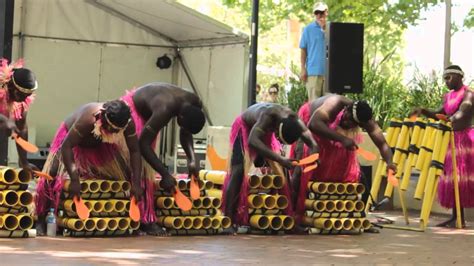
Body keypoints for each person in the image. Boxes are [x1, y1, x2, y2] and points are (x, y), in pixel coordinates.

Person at [35, 100, 143, 235]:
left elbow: (135, 151)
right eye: (109, 127)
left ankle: (129, 221)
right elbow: (67, 147)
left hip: (100, 143)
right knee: (51, 174)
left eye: (116, 130)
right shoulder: (87, 119)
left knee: (125, 173)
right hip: (69, 142)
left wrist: (137, 182)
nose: (111, 131)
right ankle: (40, 219)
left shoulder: (127, 123)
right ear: (102, 115)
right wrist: (74, 179)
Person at [292, 95, 396, 224]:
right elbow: (313, 124)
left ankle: (343, 215)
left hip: (333, 132)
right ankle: (292, 214)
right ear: (346, 109)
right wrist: (342, 139)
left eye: (354, 124)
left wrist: (390, 162)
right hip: (309, 123)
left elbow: (382, 144)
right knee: (301, 170)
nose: (349, 124)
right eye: (348, 119)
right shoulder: (335, 102)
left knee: (349, 172)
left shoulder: (366, 119)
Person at [121, 82, 206, 234]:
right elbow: (143, 144)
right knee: (140, 168)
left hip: (152, 105)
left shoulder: (194, 103)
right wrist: (165, 173)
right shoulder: (164, 110)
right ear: (179, 117)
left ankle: (144, 216)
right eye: (183, 126)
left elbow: (186, 133)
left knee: (148, 165)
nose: (184, 130)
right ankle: (144, 220)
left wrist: (192, 160)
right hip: (135, 110)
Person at [221, 103, 318, 233]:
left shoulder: (294, 119)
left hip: (261, 130)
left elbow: (309, 138)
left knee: (283, 173)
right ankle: (228, 220)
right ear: (278, 128)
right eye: (278, 138)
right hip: (246, 129)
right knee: (238, 171)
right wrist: (280, 159)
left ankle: (289, 221)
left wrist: (314, 152)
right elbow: (252, 140)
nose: (278, 140)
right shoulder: (267, 115)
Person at [411, 65, 473, 228]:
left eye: (449, 77)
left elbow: (464, 110)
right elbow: (440, 113)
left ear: (460, 77)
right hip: (449, 139)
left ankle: (460, 218)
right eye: (444, 78)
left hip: (464, 141)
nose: (446, 81)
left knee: (462, 179)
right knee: (452, 179)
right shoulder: (448, 96)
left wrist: (452, 119)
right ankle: (455, 217)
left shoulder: (469, 93)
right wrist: (424, 111)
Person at [0, 59, 38, 172]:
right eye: (22, 95)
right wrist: (3, 119)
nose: (24, 99)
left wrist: (24, 162)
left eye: (27, 96)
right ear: (12, 87)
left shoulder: (21, 102)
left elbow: (22, 129)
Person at [300, 2, 328, 101]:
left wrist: (325, 29)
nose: (319, 15)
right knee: (314, 104)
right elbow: (303, 49)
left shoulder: (331, 28)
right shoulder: (307, 29)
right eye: (317, 13)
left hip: (329, 73)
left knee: (329, 105)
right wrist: (303, 69)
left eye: (321, 12)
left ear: (326, 12)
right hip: (312, 72)